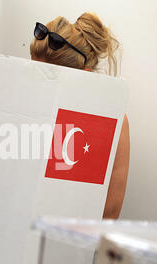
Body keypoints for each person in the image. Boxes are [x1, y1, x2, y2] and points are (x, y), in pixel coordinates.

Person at [30, 12, 130, 219]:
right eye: (32, 70)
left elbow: (110, 211)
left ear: (83, 75)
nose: (37, 84)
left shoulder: (113, 118)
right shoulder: (21, 98)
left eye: (49, 78)